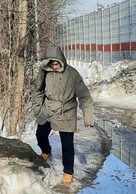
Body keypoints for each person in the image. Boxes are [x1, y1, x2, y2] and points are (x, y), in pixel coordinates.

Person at [32, 45, 94, 185]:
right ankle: (46, 150)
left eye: (56, 63)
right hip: (48, 109)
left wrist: (88, 118)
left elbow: (85, 97)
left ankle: (68, 171)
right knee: (40, 134)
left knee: (67, 145)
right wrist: (37, 110)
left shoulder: (72, 74)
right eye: (51, 63)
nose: (54, 66)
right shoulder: (44, 72)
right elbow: (38, 90)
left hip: (67, 111)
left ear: (61, 60)